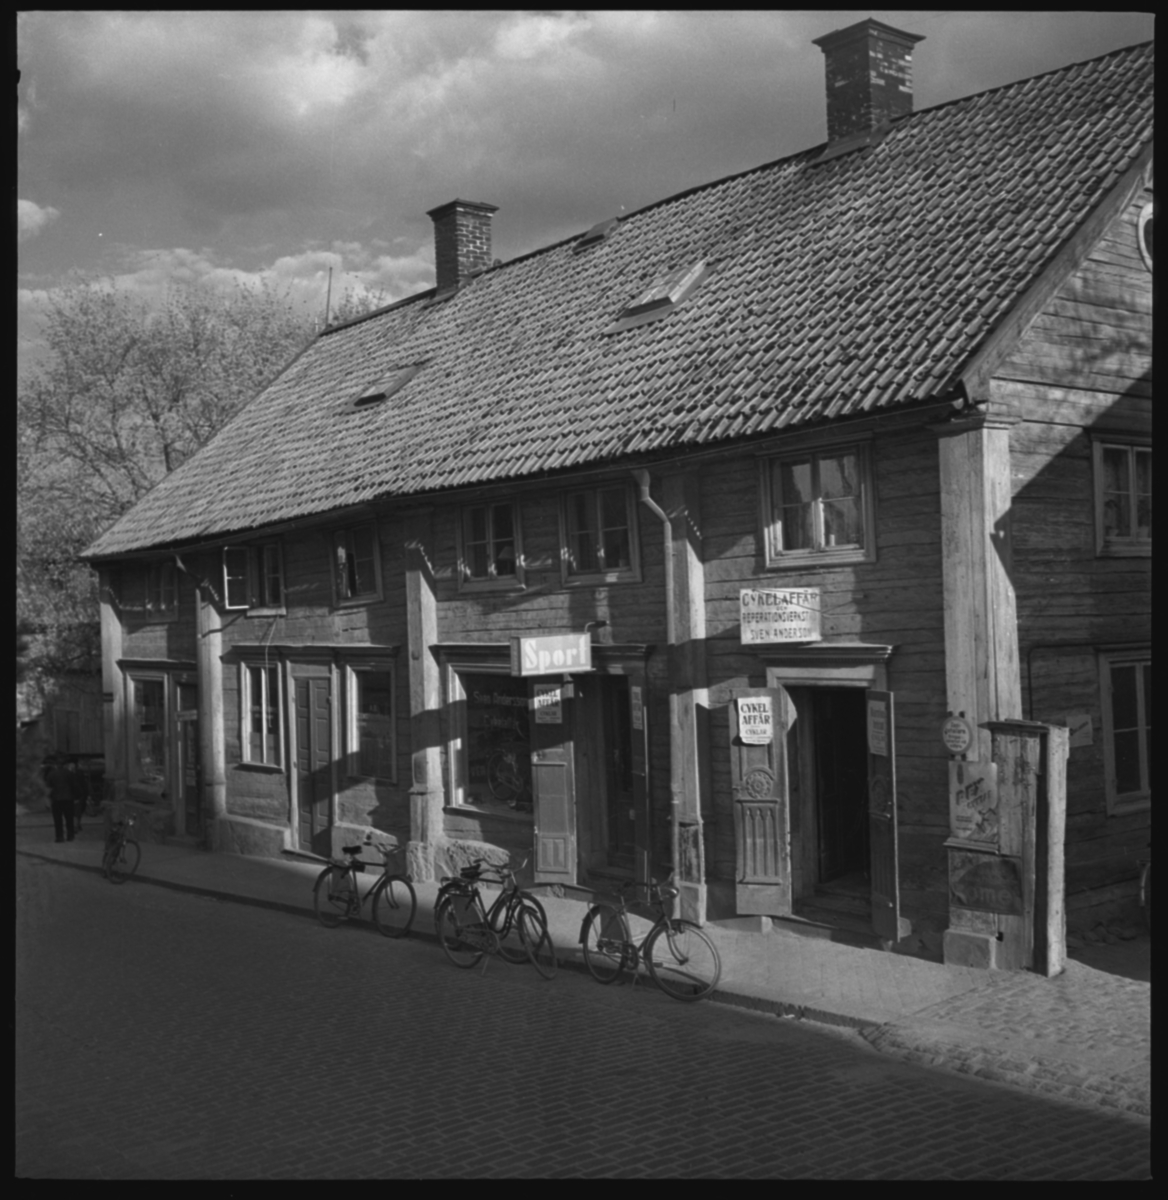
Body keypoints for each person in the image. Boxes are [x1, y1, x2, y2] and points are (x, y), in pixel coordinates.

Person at [44, 754, 79, 843]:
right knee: (69, 819)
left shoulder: (51, 774)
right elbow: (75, 786)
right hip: (68, 798)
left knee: (58, 820)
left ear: (56, 765)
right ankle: (70, 836)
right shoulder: (70, 773)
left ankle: (59, 837)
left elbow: (48, 789)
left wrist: (47, 800)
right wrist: (76, 797)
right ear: (64, 765)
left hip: (56, 799)